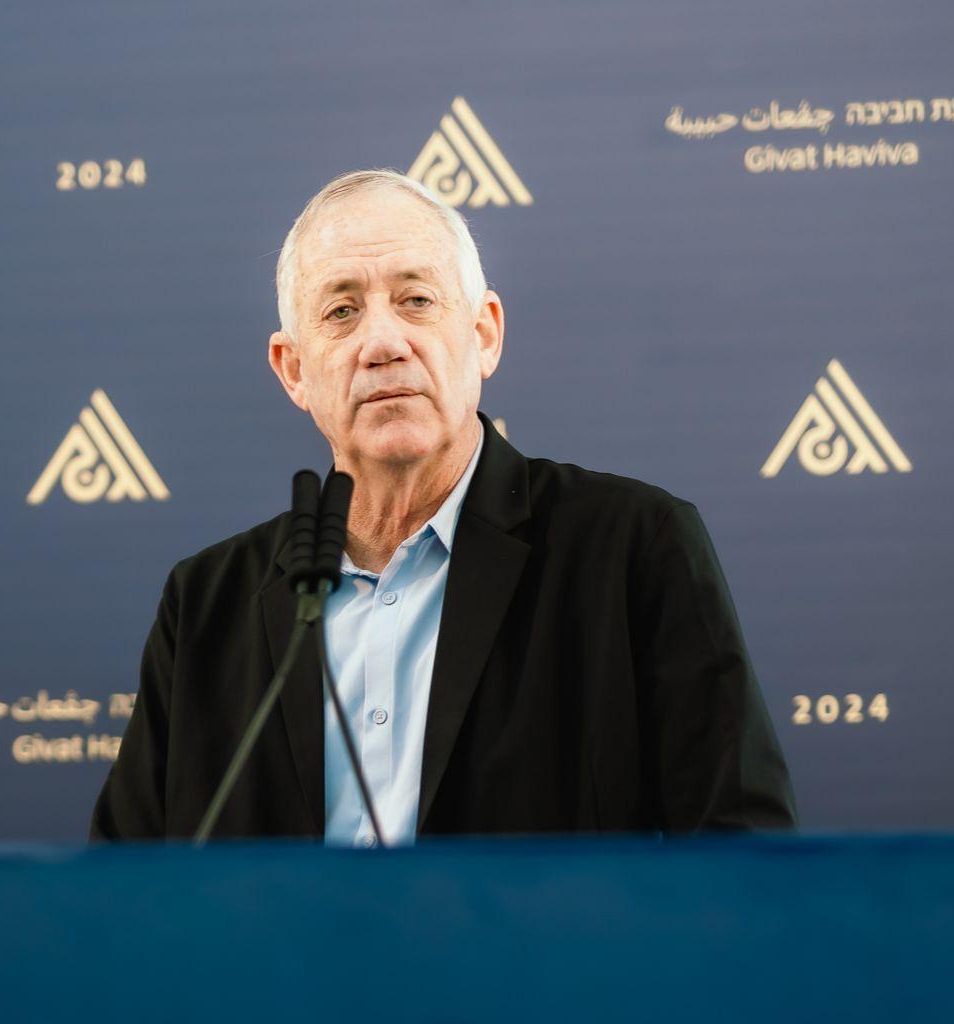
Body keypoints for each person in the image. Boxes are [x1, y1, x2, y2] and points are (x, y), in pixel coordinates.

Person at [91, 169, 797, 844]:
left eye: (416, 301)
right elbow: (122, 894)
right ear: (294, 370)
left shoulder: (631, 548)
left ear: (484, 332)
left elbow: (739, 855)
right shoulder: (207, 604)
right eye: (340, 312)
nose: (382, 343)